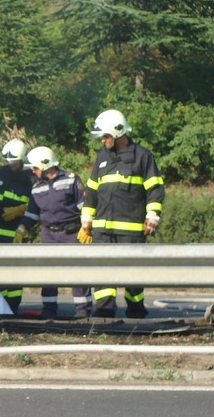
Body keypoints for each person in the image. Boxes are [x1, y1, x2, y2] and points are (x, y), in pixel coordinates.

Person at [80, 109, 164, 318]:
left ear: (119, 133)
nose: (103, 140)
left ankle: (136, 311)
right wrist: (86, 219)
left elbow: (155, 189)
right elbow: (91, 191)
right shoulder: (102, 158)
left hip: (131, 230)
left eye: (106, 136)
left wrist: (153, 215)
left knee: (133, 274)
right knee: (101, 273)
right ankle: (104, 312)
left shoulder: (142, 156)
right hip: (102, 231)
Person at [14, 146, 92, 318]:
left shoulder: (71, 180)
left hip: (71, 233)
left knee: (77, 273)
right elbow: (32, 213)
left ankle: (82, 310)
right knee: (48, 273)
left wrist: (87, 225)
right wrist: (22, 228)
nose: (33, 171)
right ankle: (49, 310)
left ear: (44, 165)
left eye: (35, 168)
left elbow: (84, 207)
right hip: (49, 234)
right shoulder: (36, 187)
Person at [0, 138, 34, 314]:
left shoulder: (30, 178)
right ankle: (4, 303)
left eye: (15, 161)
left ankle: (13, 306)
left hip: (16, 235)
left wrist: (20, 210)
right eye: (9, 161)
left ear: (22, 159)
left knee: (15, 274)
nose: (11, 164)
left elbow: (37, 204)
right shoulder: (1, 173)